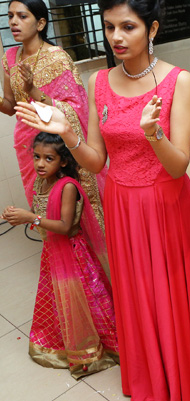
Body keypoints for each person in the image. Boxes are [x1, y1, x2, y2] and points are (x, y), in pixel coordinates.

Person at [16, 0, 190, 399]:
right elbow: (96, 161)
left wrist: (154, 135)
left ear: (151, 29)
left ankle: (186, 375)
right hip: (122, 204)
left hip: (166, 204)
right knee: (139, 296)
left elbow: (178, 166)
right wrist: (68, 133)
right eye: (109, 25)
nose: (116, 36)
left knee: (171, 294)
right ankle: (152, 374)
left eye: (128, 26)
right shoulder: (99, 81)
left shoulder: (178, 82)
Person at [1, 133, 117, 379]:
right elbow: (42, 210)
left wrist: (30, 218)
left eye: (48, 158)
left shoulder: (67, 187)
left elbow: (65, 226)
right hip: (52, 252)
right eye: (36, 157)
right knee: (60, 298)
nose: (40, 164)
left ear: (63, 161)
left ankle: (91, 347)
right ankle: (68, 338)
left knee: (85, 298)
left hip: (74, 256)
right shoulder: (42, 182)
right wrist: (17, 214)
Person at [0, 0, 105, 225]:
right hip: (28, 146)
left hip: (58, 147)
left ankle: (84, 257)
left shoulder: (58, 58)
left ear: (40, 23)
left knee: (71, 209)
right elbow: (10, 107)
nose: (13, 22)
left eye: (21, 16)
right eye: (10, 16)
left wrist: (33, 90)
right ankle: (58, 254)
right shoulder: (9, 57)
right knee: (43, 206)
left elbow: (76, 108)